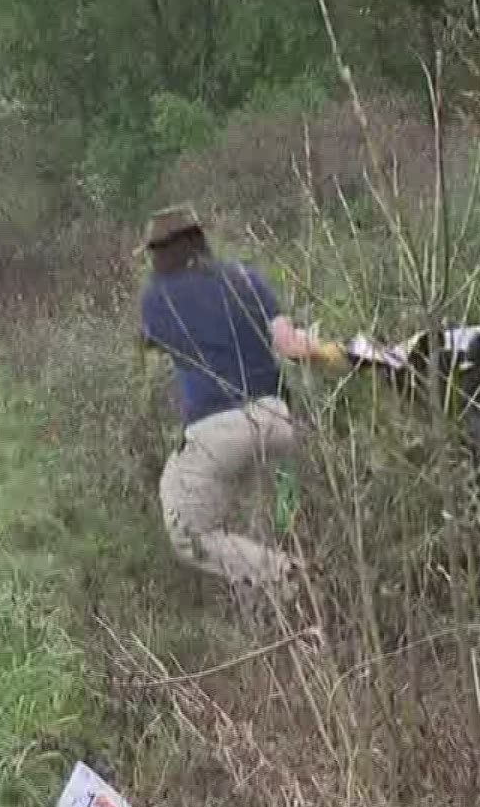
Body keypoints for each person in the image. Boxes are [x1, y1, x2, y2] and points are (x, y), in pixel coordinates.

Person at [136, 204, 340, 597]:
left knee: (188, 530)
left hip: (217, 431)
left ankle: (290, 578)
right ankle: (295, 615)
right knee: (268, 522)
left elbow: (152, 345)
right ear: (200, 238)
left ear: (158, 253)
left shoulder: (155, 298)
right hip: (281, 420)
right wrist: (339, 353)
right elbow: (291, 346)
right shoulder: (245, 277)